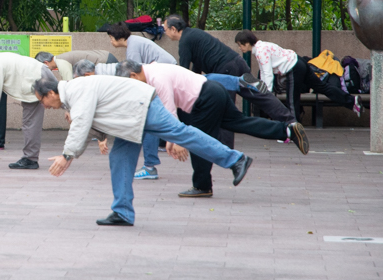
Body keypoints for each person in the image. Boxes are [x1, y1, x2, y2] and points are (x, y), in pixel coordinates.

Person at [34, 75, 253, 226]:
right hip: (129, 117)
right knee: (119, 157)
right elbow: (92, 122)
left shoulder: (75, 90)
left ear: (52, 92)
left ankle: (236, 159)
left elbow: (81, 123)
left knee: (182, 134)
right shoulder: (73, 94)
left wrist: (67, 155)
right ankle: (122, 212)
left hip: (141, 107)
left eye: (42, 99)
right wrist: (72, 153)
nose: (43, 105)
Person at [115, 60, 309, 198]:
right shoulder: (153, 68)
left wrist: (175, 141)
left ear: (133, 75)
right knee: (239, 122)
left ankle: (202, 186)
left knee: (196, 140)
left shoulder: (156, 78)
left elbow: (169, 113)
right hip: (213, 90)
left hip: (205, 99)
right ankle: (288, 131)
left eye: (130, 83)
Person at [164, 14, 296, 124]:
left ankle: (224, 150)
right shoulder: (194, 33)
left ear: (174, 29)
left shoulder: (185, 41)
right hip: (238, 62)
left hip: (226, 69)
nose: (165, 33)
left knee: (223, 111)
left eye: (166, 29)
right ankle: (290, 121)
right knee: (259, 94)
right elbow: (197, 65)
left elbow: (184, 71)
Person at [71, 59, 170, 181]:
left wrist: (102, 137)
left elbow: (106, 110)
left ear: (86, 75)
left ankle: (149, 167)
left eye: (77, 81)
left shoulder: (100, 80)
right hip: (140, 92)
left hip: (146, 91)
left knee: (149, 124)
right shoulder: (98, 73)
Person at [235, 30, 363, 121]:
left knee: (292, 101)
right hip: (299, 62)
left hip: (293, 68)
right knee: (322, 87)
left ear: (246, 43)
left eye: (240, 45)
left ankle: (292, 132)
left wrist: (266, 94)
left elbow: (267, 74)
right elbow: (264, 72)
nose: (240, 48)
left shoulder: (261, 52)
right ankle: (352, 101)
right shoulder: (263, 46)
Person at [105, 22, 176, 65]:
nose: (111, 41)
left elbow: (136, 70)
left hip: (167, 67)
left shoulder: (132, 47)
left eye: (111, 38)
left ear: (119, 37)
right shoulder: (132, 41)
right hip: (168, 65)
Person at [35, 50, 118, 81]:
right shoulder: (61, 59)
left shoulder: (61, 62)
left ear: (46, 62)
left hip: (105, 62)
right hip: (106, 56)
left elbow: (70, 83)